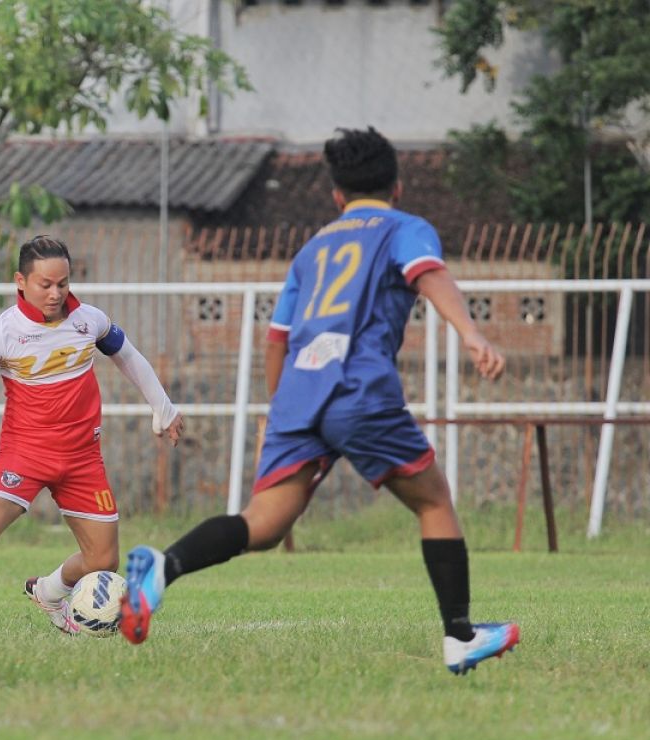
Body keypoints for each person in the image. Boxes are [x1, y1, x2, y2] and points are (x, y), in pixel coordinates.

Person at [119, 128, 520, 675]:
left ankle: (162, 568)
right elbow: (430, 275)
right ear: (397, 187)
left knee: (263, 525)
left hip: (298, 394)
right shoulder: (405, 228)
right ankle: (460, 636)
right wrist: (472, 334)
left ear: (336, 195)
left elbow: (277, 339)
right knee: (433, 502)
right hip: (358, 386)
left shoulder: (312, 250)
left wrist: (277, 412)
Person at [0, 235, 184, 644]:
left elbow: (129, 357)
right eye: (45, 284)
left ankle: (48, 592)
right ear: (21, 281)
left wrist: (163, 408)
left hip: (82, 460)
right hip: (23, 456)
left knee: (103, 560)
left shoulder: (89, 321)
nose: (56, 293)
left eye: (63, 283)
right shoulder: (0, 333)